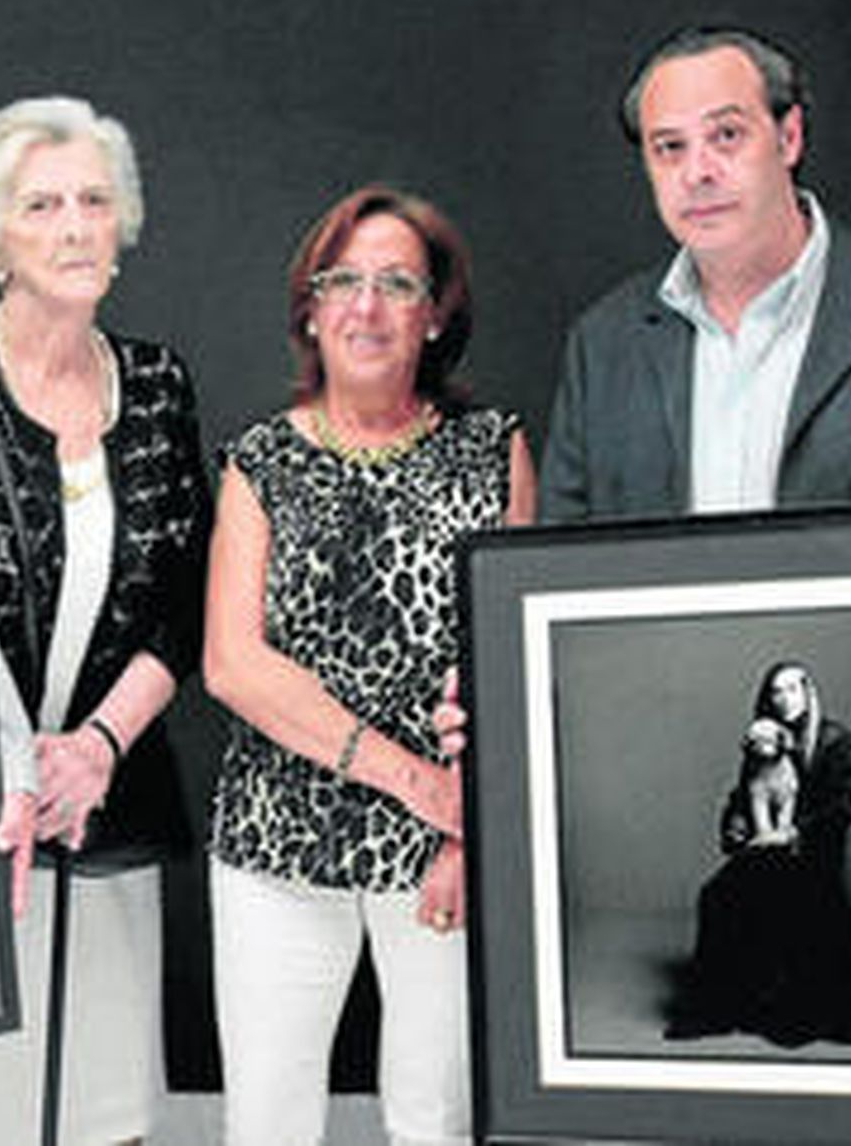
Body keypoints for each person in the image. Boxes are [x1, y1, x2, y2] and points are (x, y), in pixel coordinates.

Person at [435, 23, 851, 755]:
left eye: (726, 136)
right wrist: (501, 687)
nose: (697, 171)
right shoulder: (604, 347)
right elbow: (561, 578)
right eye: (669, 147)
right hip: (677, 757)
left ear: (789, 136)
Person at [0, 96, 210, 1146]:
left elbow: (185, 596)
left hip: (106, 788)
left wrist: (98, 744)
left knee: (105, 1104)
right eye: (42, 204)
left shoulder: (153, 383)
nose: (73, 227)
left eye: (95, 202)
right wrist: (15, 761)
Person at [204, 185, 536, 1146]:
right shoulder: (258, 460)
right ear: (310, 309)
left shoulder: (492, 449)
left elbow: (511, 656)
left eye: (398, 283)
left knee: (435, 1117)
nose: (367, 305)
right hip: (276, 844)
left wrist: (468, 833)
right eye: (342, 280)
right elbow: (232, 664)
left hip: (441, 851)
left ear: (435, 315)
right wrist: (412, 779)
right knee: (268, 1122)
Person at [665, 662, 851, 1047]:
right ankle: (722, 1007)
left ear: (808, 692)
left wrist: (791, 833)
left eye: (792, 689)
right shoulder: (760, 737)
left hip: (810, 851)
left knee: (797, 898)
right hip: (764, 846)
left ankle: (795, 1010)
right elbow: (743, 793)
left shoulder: (835, 740)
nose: (784, 699)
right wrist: (734, 824)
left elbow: (842, 806)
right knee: (717, 896)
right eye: (776, 692)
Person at [733, 716, 798, 848]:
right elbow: (757, 802)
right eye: (756, 742)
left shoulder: (788, 770)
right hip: (754, 832)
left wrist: (783, 828)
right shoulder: (753, 773)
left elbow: (789, 798)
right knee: (760, 804)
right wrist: (764, 832)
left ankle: (781, 829)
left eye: (768, 741)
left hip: (791, 839)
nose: (762, 747)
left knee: (786, 803)